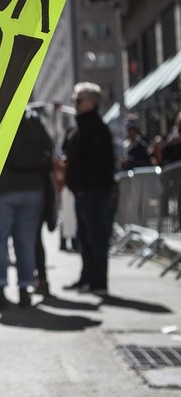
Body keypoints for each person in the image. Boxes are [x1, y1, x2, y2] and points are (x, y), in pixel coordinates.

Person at [0, 108, 54, 309]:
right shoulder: (33, 119)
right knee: (26, 242)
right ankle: (25, 288)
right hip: (32, 188)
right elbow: (48, 149)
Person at [64, 81, 116, 296]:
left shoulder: (96, 129)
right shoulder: (83, 127)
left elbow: (98, 164)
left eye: (78, 100)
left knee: (96, 238)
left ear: (92, 102)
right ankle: (88, 278)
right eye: (74, 100)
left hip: (94, 193)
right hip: (84, 193)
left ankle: (98, 282)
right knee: (84, 238)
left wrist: (83, 185)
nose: (74, 104)